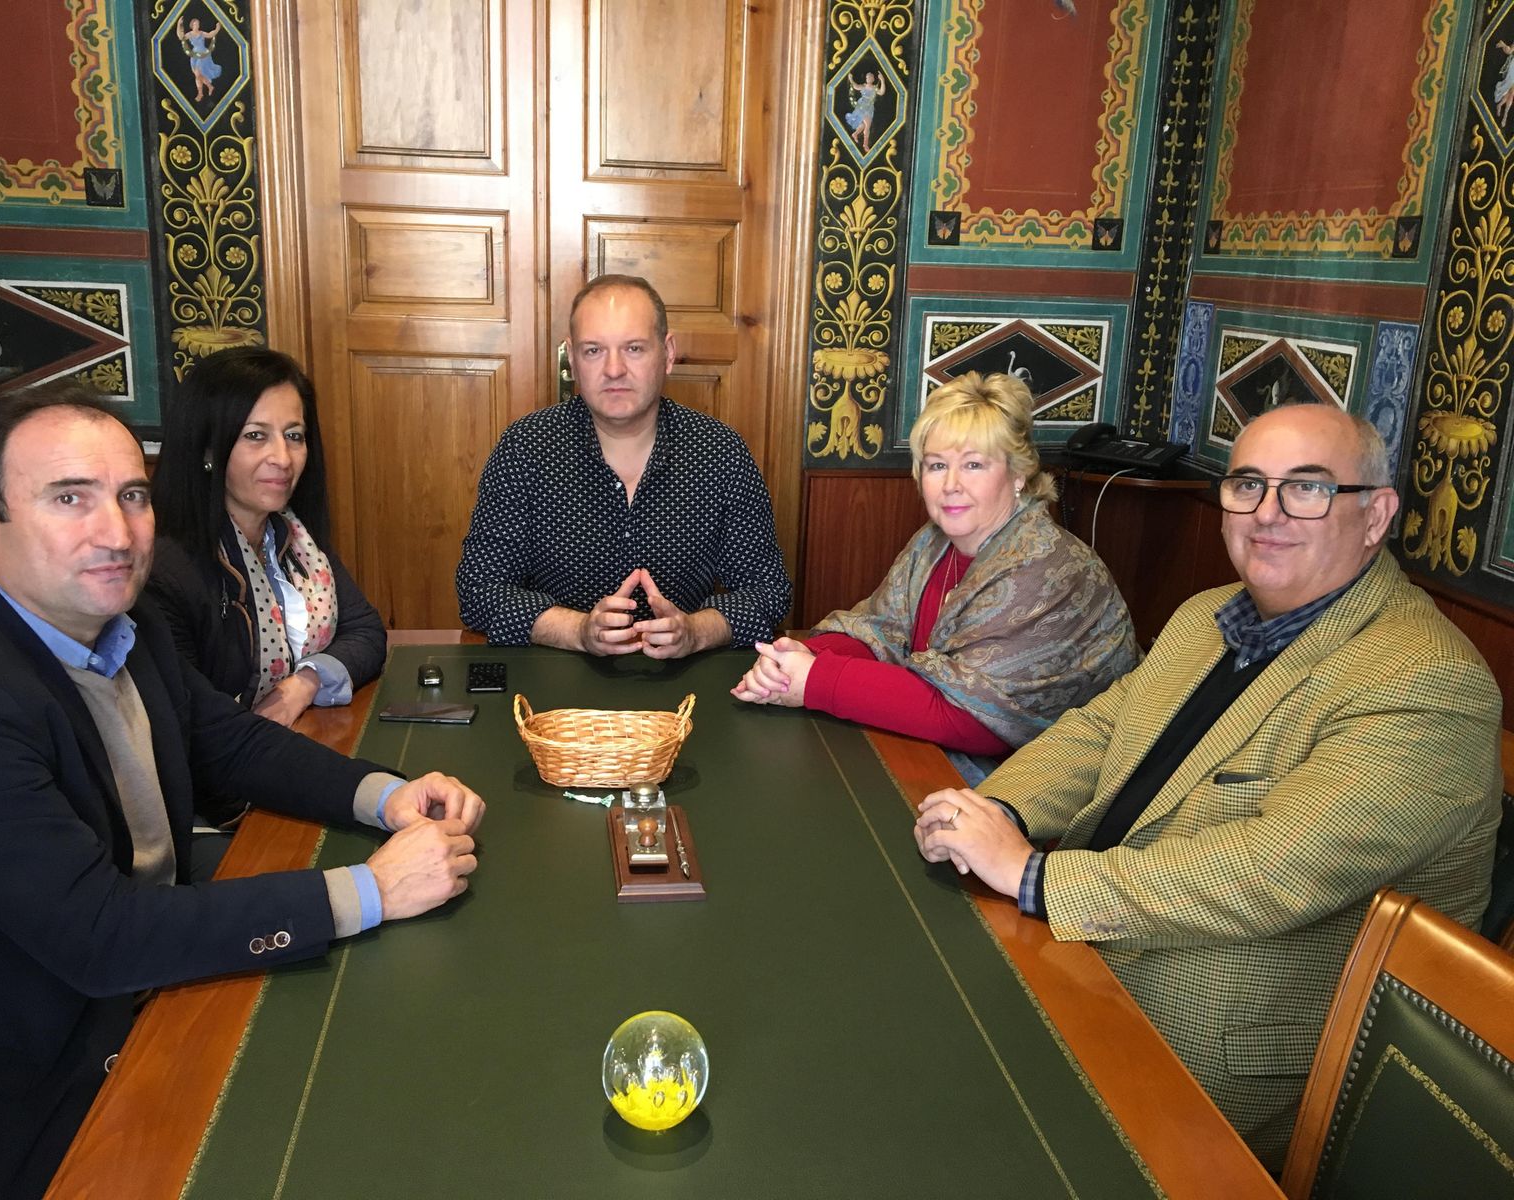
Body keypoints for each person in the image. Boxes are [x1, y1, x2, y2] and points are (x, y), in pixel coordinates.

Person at [0, 385, 483, 1199]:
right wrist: (371, 890)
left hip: (145, 992)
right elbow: (101, 935)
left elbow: (231, 739)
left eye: (131, 496)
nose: (116, 533)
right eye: (69, 498)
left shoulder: (117, 619)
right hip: (33, 1094)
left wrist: (386, 795)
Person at [912, 403, 1501, 1168]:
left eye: (1308, 489)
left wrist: (1031, 875)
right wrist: (996, 807)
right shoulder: (1205, 618)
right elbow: (1099, 732)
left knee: (956, 1142)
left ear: (1375, 515)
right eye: (1248, 484)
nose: (1268, 513)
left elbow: (1268, 870)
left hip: (1217, 1047)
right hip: (1088, 948)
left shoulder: (1426, 681)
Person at [733, 372, 1138, 765]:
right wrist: (799, 657)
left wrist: (816, 679)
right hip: (945, 752)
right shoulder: (934, 541)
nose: (951, 485)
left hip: (1045, 782)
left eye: (974, 465)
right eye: (937, 465)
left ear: (1018, 474)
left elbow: (973, 719)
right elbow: (881, 630)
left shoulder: (1051, 567)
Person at [457, 274, 791, 657]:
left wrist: (695, 631)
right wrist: (577, 630)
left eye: (633, 348)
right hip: (556, 680)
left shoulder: (719, 452)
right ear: (572, 359)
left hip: (683, 681)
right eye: (594, 351)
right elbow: (478, 589)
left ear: (667, 354)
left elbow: (768, 592)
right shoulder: (526, 448)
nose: (614, 369)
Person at [147, 347, 385, 742]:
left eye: (294, 436)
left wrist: (304, 683)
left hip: (301, 741)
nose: (283, 458)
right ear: (208, 448)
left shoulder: (295, 536)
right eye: (255, 436)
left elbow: (365, 630)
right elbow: (195, 726)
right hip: (227, 786)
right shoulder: (167, 571)